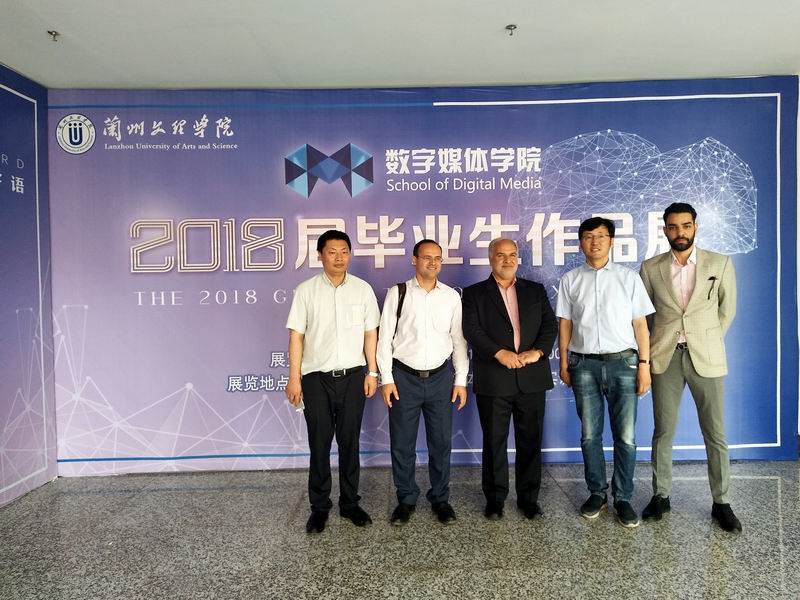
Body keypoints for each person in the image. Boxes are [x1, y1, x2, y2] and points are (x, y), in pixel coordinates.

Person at [639, 202, 740, 532]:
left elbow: (727, 310)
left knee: (715, 432)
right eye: (673, 227)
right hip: (665, 356)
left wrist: (706, 338)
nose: (679, 232)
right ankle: (661, 495)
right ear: (665, 230)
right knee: (663, 431)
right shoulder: (650, 268)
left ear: (695, 226)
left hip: (706, 357)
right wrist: (660, 341)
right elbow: (646, 314)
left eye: (685, 225)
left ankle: (721, 502)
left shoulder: (719, 263)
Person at [556, 217, 654, 528]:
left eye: (601, 236)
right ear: (581, 243)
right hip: (583, 364)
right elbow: (565, 324)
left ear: (611, 241)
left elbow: (641, 325)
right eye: (588, 236)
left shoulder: (628, 278)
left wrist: (644, 366)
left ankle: (623, 497)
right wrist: (563, 363)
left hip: (624, 363)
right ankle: (597, 492)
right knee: (589, 435)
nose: (594, 242)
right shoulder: (570, 280)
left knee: (626, 436)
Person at [285, 229, 380, 534]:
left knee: (350, 443)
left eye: (344, 252)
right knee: (320, 444)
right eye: (332, 252)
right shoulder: (306, 291)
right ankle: (319, 508)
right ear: (320, 256)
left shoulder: (363, 290)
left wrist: (373, 372)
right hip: (316, 380)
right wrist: (294, 378)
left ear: (350, 255)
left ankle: (350, 504)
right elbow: (296, 336)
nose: (339, 258)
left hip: (353, 378)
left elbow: (370, 334)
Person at [462, 238, 557, 520]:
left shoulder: (535, 290)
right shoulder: (474, 293)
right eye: (501, 255)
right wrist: (498, 353)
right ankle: (495, 499)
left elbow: (550, 326)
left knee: (531, 441)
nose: (507, 260)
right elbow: (472, 329)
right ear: (490, 258)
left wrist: (537, 352)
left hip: (531, 378)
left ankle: (529, 499)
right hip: (494, 379)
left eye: (512, 255)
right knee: (494, 442)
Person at [377, 239, 469, 526]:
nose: (433, 263)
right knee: (402, 444)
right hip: (404, 378)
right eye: (427, 257)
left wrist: (460, 380)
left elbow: (458, 341)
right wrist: (386, 379)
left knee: (440, 443)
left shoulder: (451, 297)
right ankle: (406, 499)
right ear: (414, 260)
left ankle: (440, 499)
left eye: (437, 258)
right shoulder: (399, 293)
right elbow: (384, 338)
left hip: (441, 378)